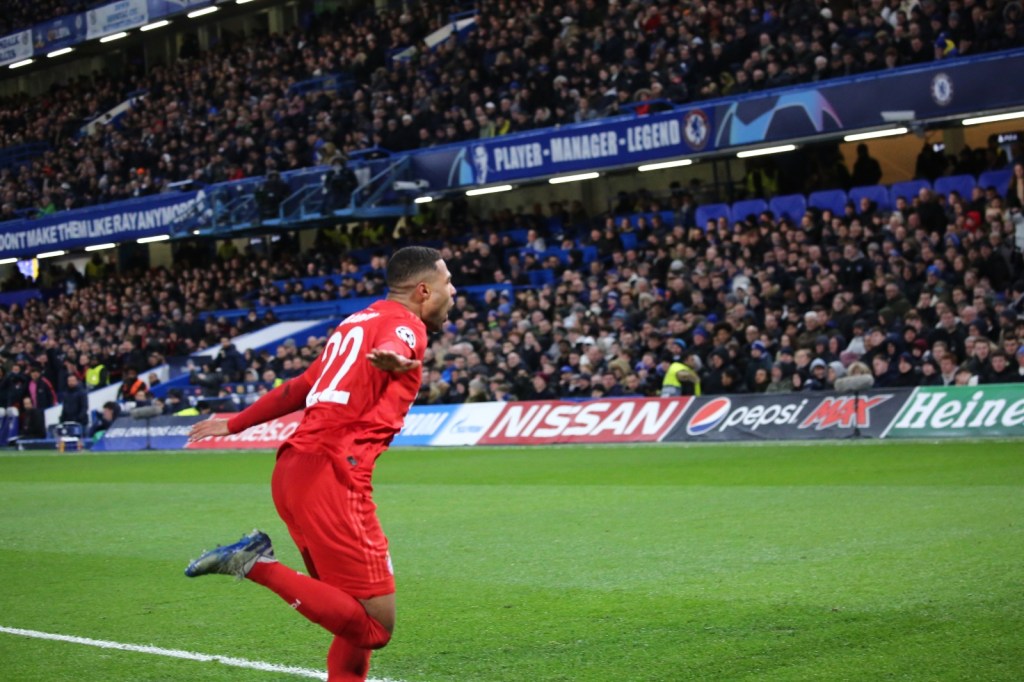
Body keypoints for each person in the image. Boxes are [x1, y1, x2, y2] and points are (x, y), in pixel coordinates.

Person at [185, 246, 456, 682]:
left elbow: (299, 387)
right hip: (334, 476)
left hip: (294, 470)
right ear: (424, 290)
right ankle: (256, 563)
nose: (454, 291)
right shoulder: (405, 324)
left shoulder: (355, 322)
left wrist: (234, 423)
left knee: (349, 609)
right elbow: (398, 343)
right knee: (375, 627)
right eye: (448, 284)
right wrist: (396, 358)